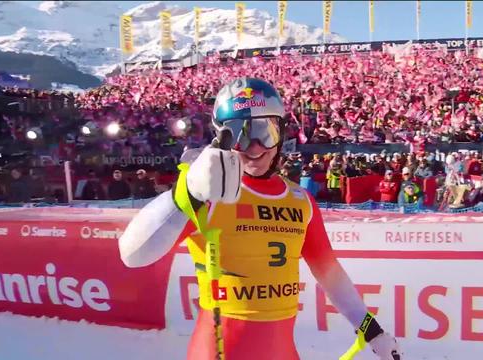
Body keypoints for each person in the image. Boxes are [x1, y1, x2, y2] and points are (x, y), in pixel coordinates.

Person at [118, 78, 401, 360]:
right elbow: (133, 254)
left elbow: (331, 275)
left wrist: (371, 330)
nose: (254, 147)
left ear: (281, 132)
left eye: (265, 132)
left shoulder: (300, 201)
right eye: (239, 134)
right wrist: (187, 192)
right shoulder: (207, 192)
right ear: (221, 138)